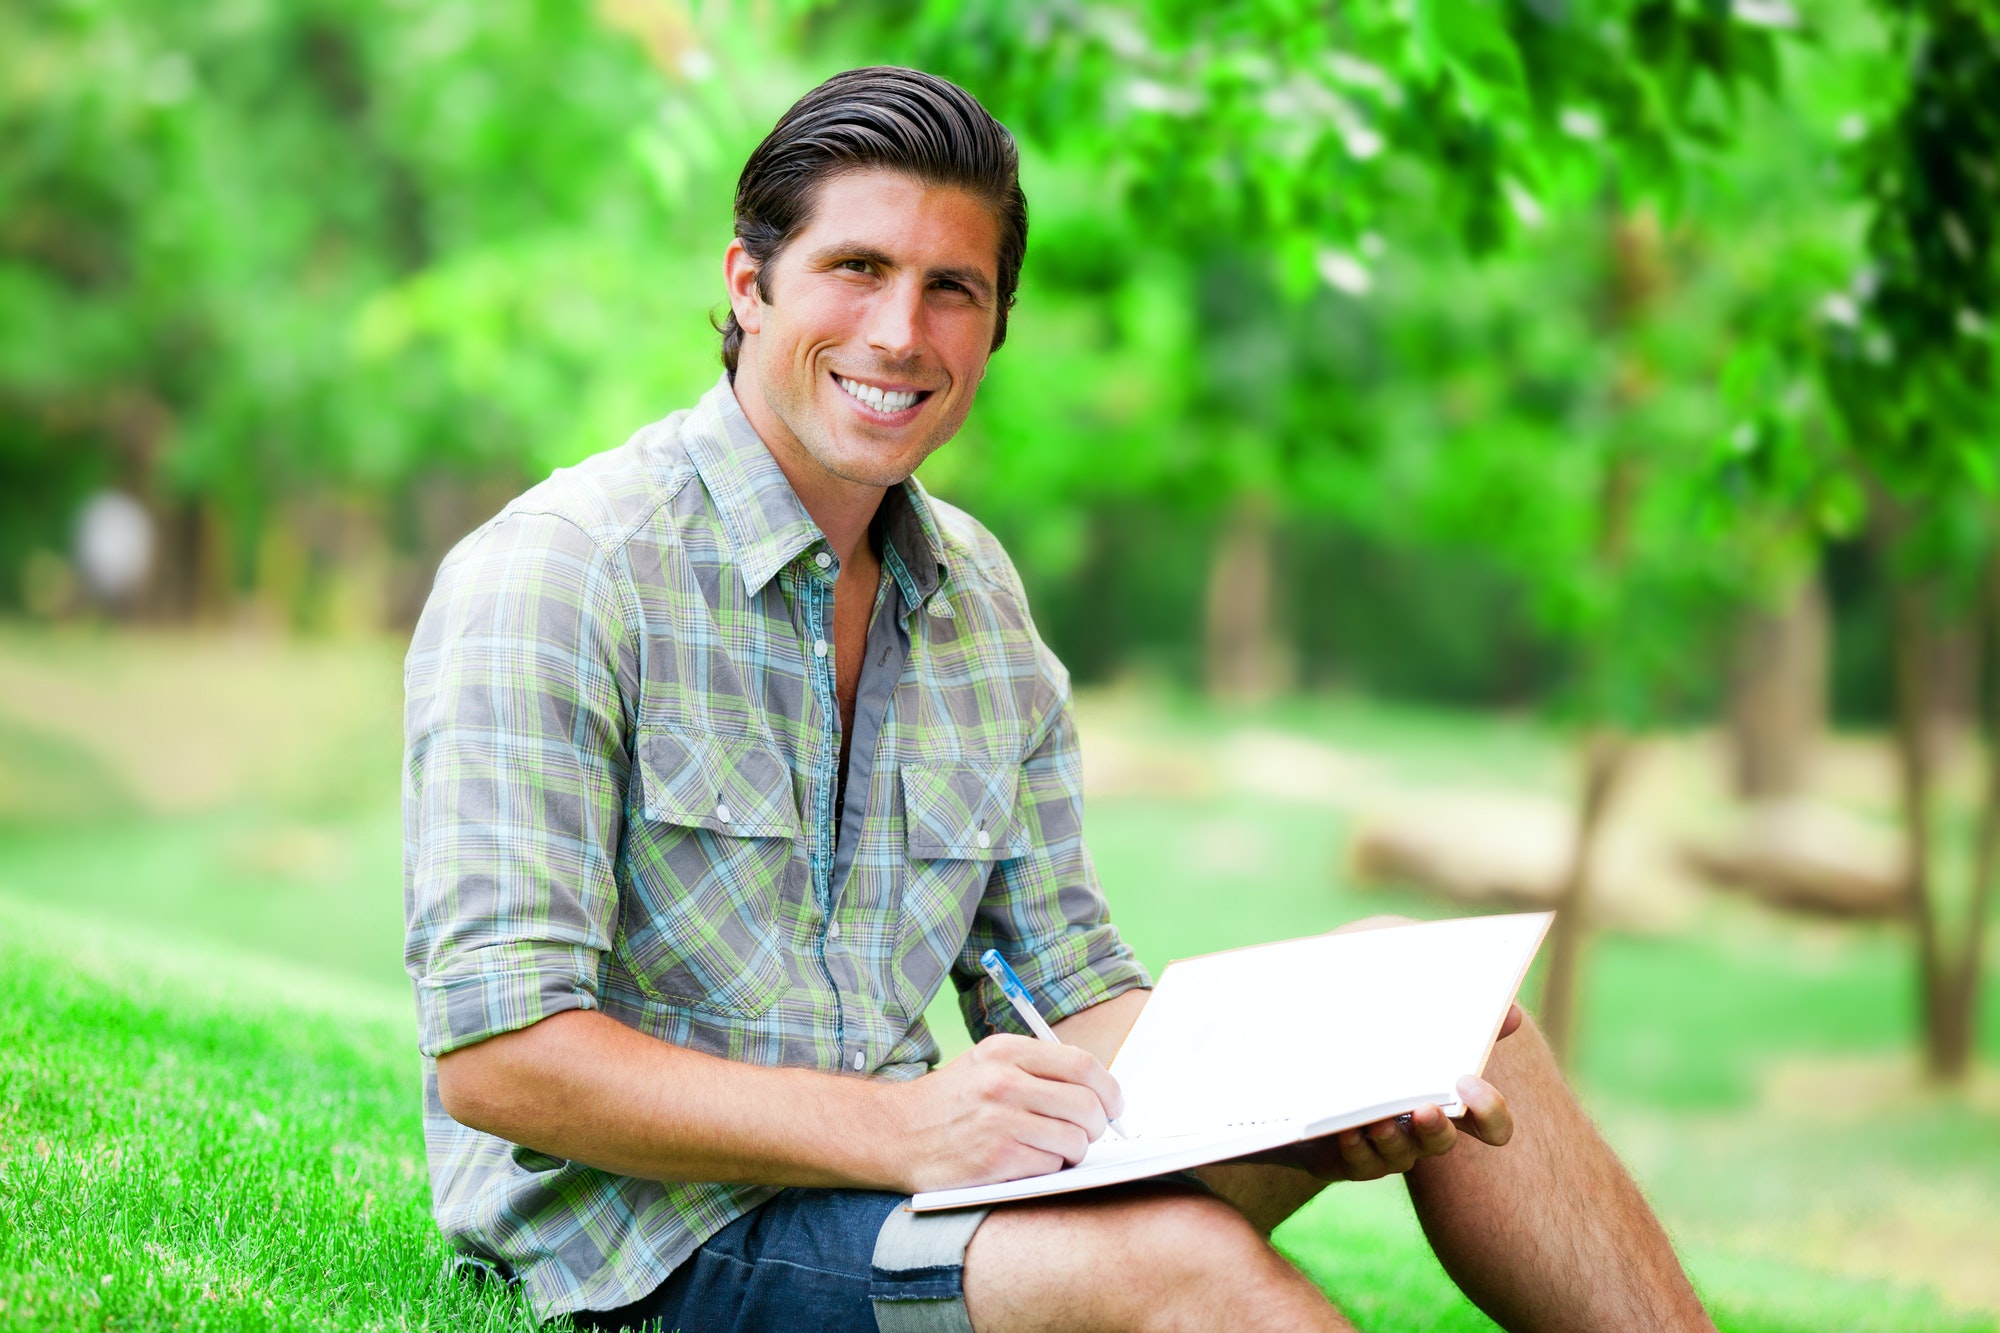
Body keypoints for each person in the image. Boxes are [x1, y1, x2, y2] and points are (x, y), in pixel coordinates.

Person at [402, 65, 1716, 1333]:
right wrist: (900, 1127)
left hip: (915, 1184)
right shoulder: (563, 571)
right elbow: (504, 1055)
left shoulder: (975, 596)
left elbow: (1066, 984)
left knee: (1440, 1011)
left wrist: (1315, 1095)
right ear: (749, 285)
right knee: (1180, 1266)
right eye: (857, 269)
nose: (900, 331)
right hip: (649, 1243)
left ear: (994, 327)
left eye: (952, 289)